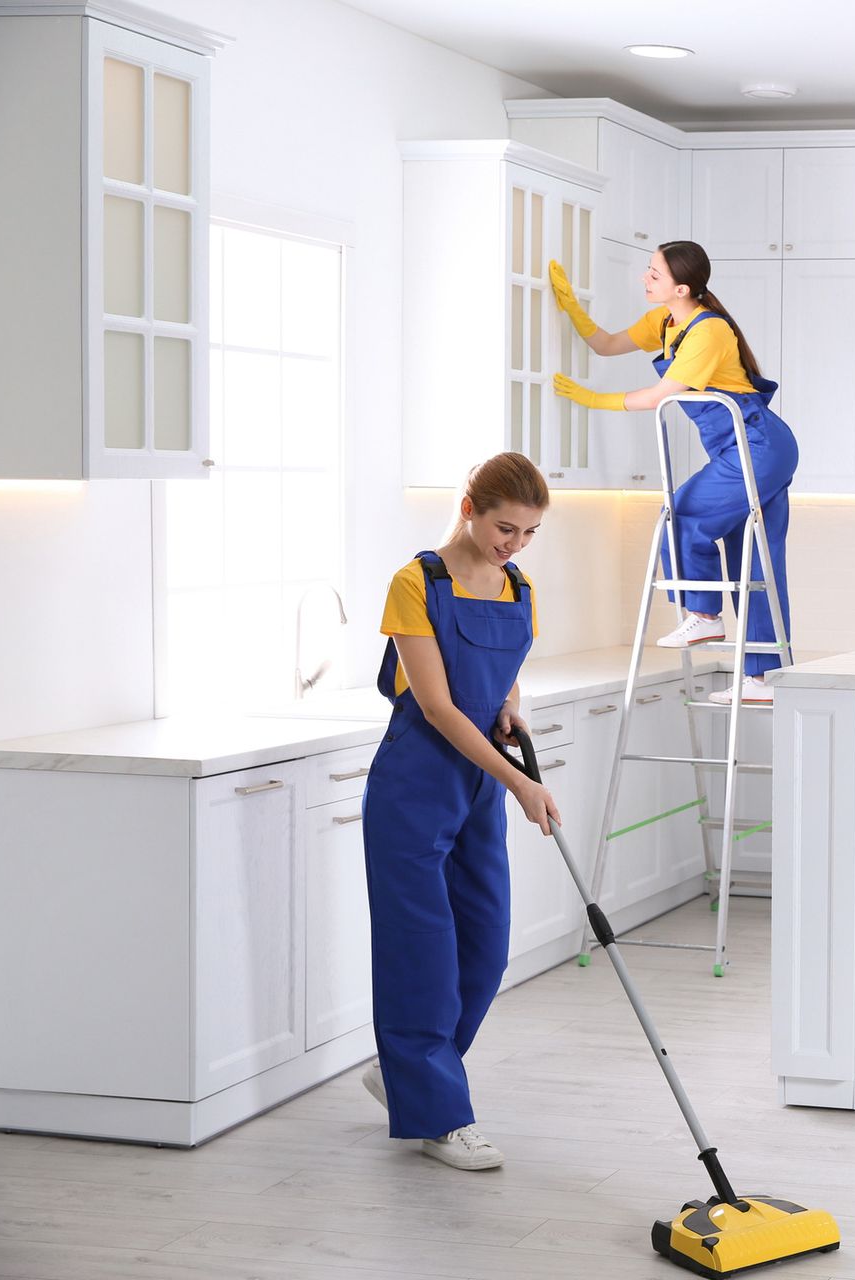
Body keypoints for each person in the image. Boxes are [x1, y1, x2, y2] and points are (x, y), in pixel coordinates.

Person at [358, 451, 560, 1170]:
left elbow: (500, 681)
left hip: (477, 783)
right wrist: (518, 782)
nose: (514, 543)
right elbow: (437, 706)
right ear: (470, 506)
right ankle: (440, 1116)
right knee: (423, 956)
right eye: (507, 526)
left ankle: (407, 1073)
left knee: (485, 945)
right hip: (416, 783)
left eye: (529, 532)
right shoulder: (416, 583)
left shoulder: (519, 588)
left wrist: (512, 711)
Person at [550, 241, 797, 704]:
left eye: (654, 274)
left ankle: (704, 615)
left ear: (682, 287)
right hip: (742, 448)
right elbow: (606, 345)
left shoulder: (709, 331)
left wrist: (592, 401)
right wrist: (571, 309)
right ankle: (767, 680)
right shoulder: (665, 323)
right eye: (647, 270)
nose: (645, 279)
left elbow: (661, 395)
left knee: (682, 515)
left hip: (757, 445)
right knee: (756, 561)